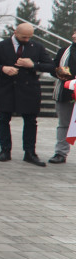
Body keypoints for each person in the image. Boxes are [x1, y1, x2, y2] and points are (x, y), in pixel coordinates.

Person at [0, 22, 54, 165]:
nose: (27, 40)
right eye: (24, 37)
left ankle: (30, 153)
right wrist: (3, 68)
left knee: (31, 121)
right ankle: (5, 151)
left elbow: (51, 66)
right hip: (6, 88)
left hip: (29, 90)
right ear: (15, 32)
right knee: (3, 119)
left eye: (29, 37)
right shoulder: (0, 46)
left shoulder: (37, 47)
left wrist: (33, 65)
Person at [49, 28, 76, 164]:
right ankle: (60, 153)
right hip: (65, 93)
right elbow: (53, 69)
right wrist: (69, 78)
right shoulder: (64, 51)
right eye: (74, 32)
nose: (74, 35)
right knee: (63, 124)